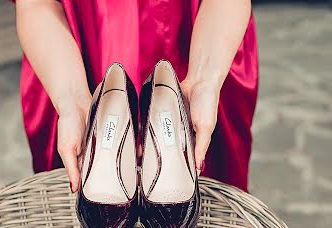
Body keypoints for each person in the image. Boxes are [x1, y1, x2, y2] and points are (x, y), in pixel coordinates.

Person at [15, 0, 258, 193]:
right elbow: (36, 4)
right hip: (68, 62)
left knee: (213, 219)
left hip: (207, 45)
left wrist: (205, 82)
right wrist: (71, 100)